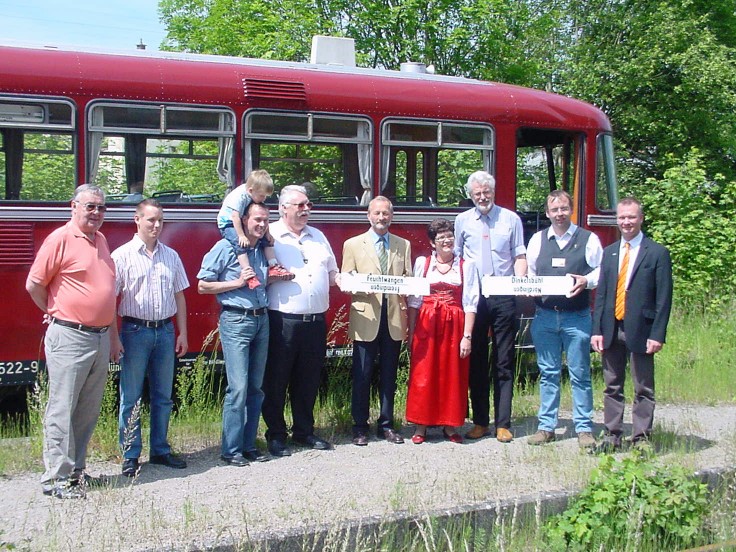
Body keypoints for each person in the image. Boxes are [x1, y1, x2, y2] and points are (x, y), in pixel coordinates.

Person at [25, 184, 116, 499]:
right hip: (70, 336)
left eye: (101, 207)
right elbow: (34, 284)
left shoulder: (101, 240)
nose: (96, 213)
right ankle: (55, 479)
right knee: (62, 408)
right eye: (90, 206)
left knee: (87, 410)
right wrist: (57, 312)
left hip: (100, 338)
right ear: (73, 206)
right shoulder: (59, 239)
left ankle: (76, 472)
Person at [110, 199, 189, 477]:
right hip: (134, 331)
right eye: (151, 220)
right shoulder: (122, 256)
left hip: (165, 331)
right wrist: (113, 339)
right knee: (130, 396)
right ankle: (130, 455)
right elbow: (110, 299)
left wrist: (183, 334)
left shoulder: (171, 256)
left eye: (160, 221)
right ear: (137, 220)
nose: (156, 226)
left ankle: (160, 450)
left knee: (163, 396)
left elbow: (180, 295)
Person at [591, 197, 673, 452]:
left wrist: (657, 334)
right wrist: (597, 330)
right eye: (622, 217)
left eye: (631, 217)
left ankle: (641, 440)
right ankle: (612, 436)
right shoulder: (610, 251)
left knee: (643, 387)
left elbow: (663, 298)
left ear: (641, 218)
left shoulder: (657, 253)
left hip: (642, 330)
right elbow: (602, 294)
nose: (626, 222)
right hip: (611, 328)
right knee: (612, 385)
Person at [262, 185, 338, 457]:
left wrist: (356, 281)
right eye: (300, 205)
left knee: (308, 380)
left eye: (308, 205)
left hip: (316, 320)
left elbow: (333, 274)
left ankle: (304, 431)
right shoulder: (270, 234)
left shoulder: (318, 236)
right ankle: (276, 434)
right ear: (283, 208)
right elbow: (257, 274)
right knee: (276, 380)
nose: (306, 209)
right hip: (282, 320)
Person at [526, 190, 602, 449]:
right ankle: (546, 426)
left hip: (577, 318)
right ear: (547, 213)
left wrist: (587, 280)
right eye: (554, 210)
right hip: (545, 316)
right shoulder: (537, 240)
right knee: (548, 374)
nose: (559, 214)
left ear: (571, 210)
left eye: (563, 209)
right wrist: (529, 286)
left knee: (580, 374)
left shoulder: (588, 239)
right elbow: (532, 272)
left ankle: (583, 428)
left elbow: (602, 271)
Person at [454, 170, 527, 443]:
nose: (482, 197)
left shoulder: (511, 219)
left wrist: (520, 281)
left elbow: (519, 254)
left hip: (504, 296)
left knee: (504, 360)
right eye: (477, 194)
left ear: (493, 192)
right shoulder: (462, 221)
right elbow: (458, 258)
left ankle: (503, 424)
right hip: (474, 297)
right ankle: (481, 422)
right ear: (471, 195)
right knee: (475, 361)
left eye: (486, 192)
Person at [198, 202, 271, 466]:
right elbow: (203, 285)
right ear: (243, 220)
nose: (261, 225)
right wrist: (237, 283)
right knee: (238, 388)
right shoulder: (225, 247)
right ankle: (231, 450)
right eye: (257, 220)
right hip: (236, 320)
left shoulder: (262, 249)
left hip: (262, 319)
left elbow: (263, 279)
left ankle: (249, 445)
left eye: (265, 220)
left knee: (255, 388)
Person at [342, 196, 412, 446]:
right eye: (377, 213)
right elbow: (346, 280)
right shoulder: (352, 244)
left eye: (386, 213)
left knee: (389, 376)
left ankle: (386, 425)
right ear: (368, 216)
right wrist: (362, 286)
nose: (381, 218)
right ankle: (359, 427)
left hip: (392, 318)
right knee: (362, 375)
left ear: (391, 216)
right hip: (365, 316)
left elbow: (408, 279)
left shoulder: (402, 245)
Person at [406, 218, 478, 444]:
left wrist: (467, 336)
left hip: (454, 325)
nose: (447, 241)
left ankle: (449, 424)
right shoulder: (423, 264)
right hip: (427, 324)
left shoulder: (467, 266)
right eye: (441, 237)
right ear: (432, 242)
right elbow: (414, 301)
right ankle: (421, 424)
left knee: (452, 373)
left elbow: (470, 303)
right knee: (423, 374)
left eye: (449, 236)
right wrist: (411, 331)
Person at [216, 169, 293, 289]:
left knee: (266, 240)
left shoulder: (252, 193)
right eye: (262, 196)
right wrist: (241, 236)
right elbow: (235, 217)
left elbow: (262, 220)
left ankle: (273, 266)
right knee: (239, 245)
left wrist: (268, 234)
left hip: (239, 220)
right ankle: (249, 274)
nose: (263, 199)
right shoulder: (240, 196)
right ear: (251, 191)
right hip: (228, 223)